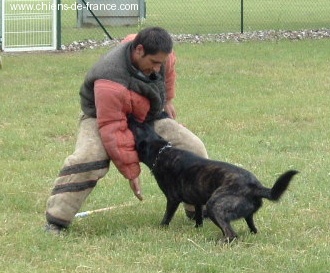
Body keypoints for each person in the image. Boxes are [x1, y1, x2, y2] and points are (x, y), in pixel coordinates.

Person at [45, 27, 208, 234]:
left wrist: (168, 98)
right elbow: (113, 128)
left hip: (146, 115)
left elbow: (169, 69)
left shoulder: (162, 55)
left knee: (192, 148)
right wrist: (132, 172)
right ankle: (56, 220)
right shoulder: (109, 79)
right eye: (154, 63)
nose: (158, 68)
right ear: (139, 50)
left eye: (161, 63)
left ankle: (199, 208)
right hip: (101, 117)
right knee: (88, 158)